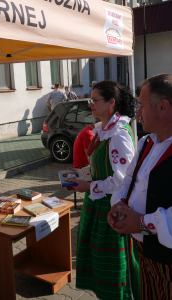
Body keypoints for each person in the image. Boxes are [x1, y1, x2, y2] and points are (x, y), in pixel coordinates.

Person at [71, 80, 138, 299]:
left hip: (109, 211)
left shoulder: (118, 134)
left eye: (94, 100)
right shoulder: (105, 130)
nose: (90, 104)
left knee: (112, 270)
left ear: (111, 103)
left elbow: (122, 180)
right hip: (98, 206)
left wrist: (88, 185)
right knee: (100, 265)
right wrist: (85, 177)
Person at [108, 74, 172, 300]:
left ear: (162, 107)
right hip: (142, 251)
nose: (137, 113)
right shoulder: (146, 142)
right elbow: (127, 181)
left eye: (142, 106)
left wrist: (142, 223)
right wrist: (118, 205)